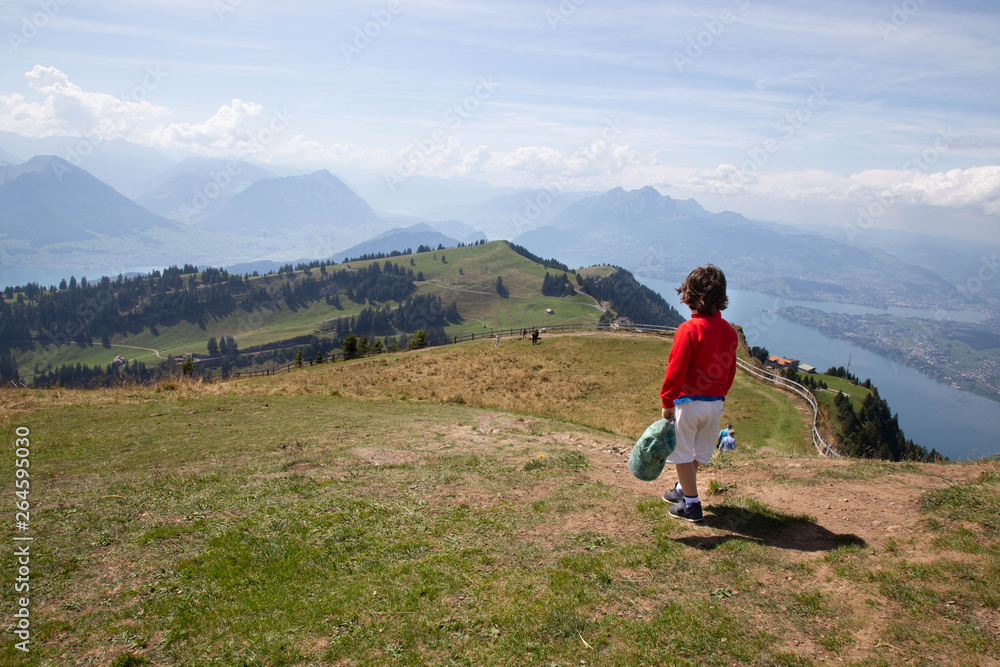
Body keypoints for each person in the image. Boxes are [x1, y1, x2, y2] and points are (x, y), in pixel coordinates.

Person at [659, 265, 738, 523]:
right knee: (697, 454)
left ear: (690, 297)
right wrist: (720, 393)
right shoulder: (728, 331)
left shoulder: (688, 330)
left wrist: (667, 401)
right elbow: (730, 369)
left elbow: (676, 368)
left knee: (681, 454)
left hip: (688, 403)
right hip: (715, 404)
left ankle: (691, 505)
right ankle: (682, 490)